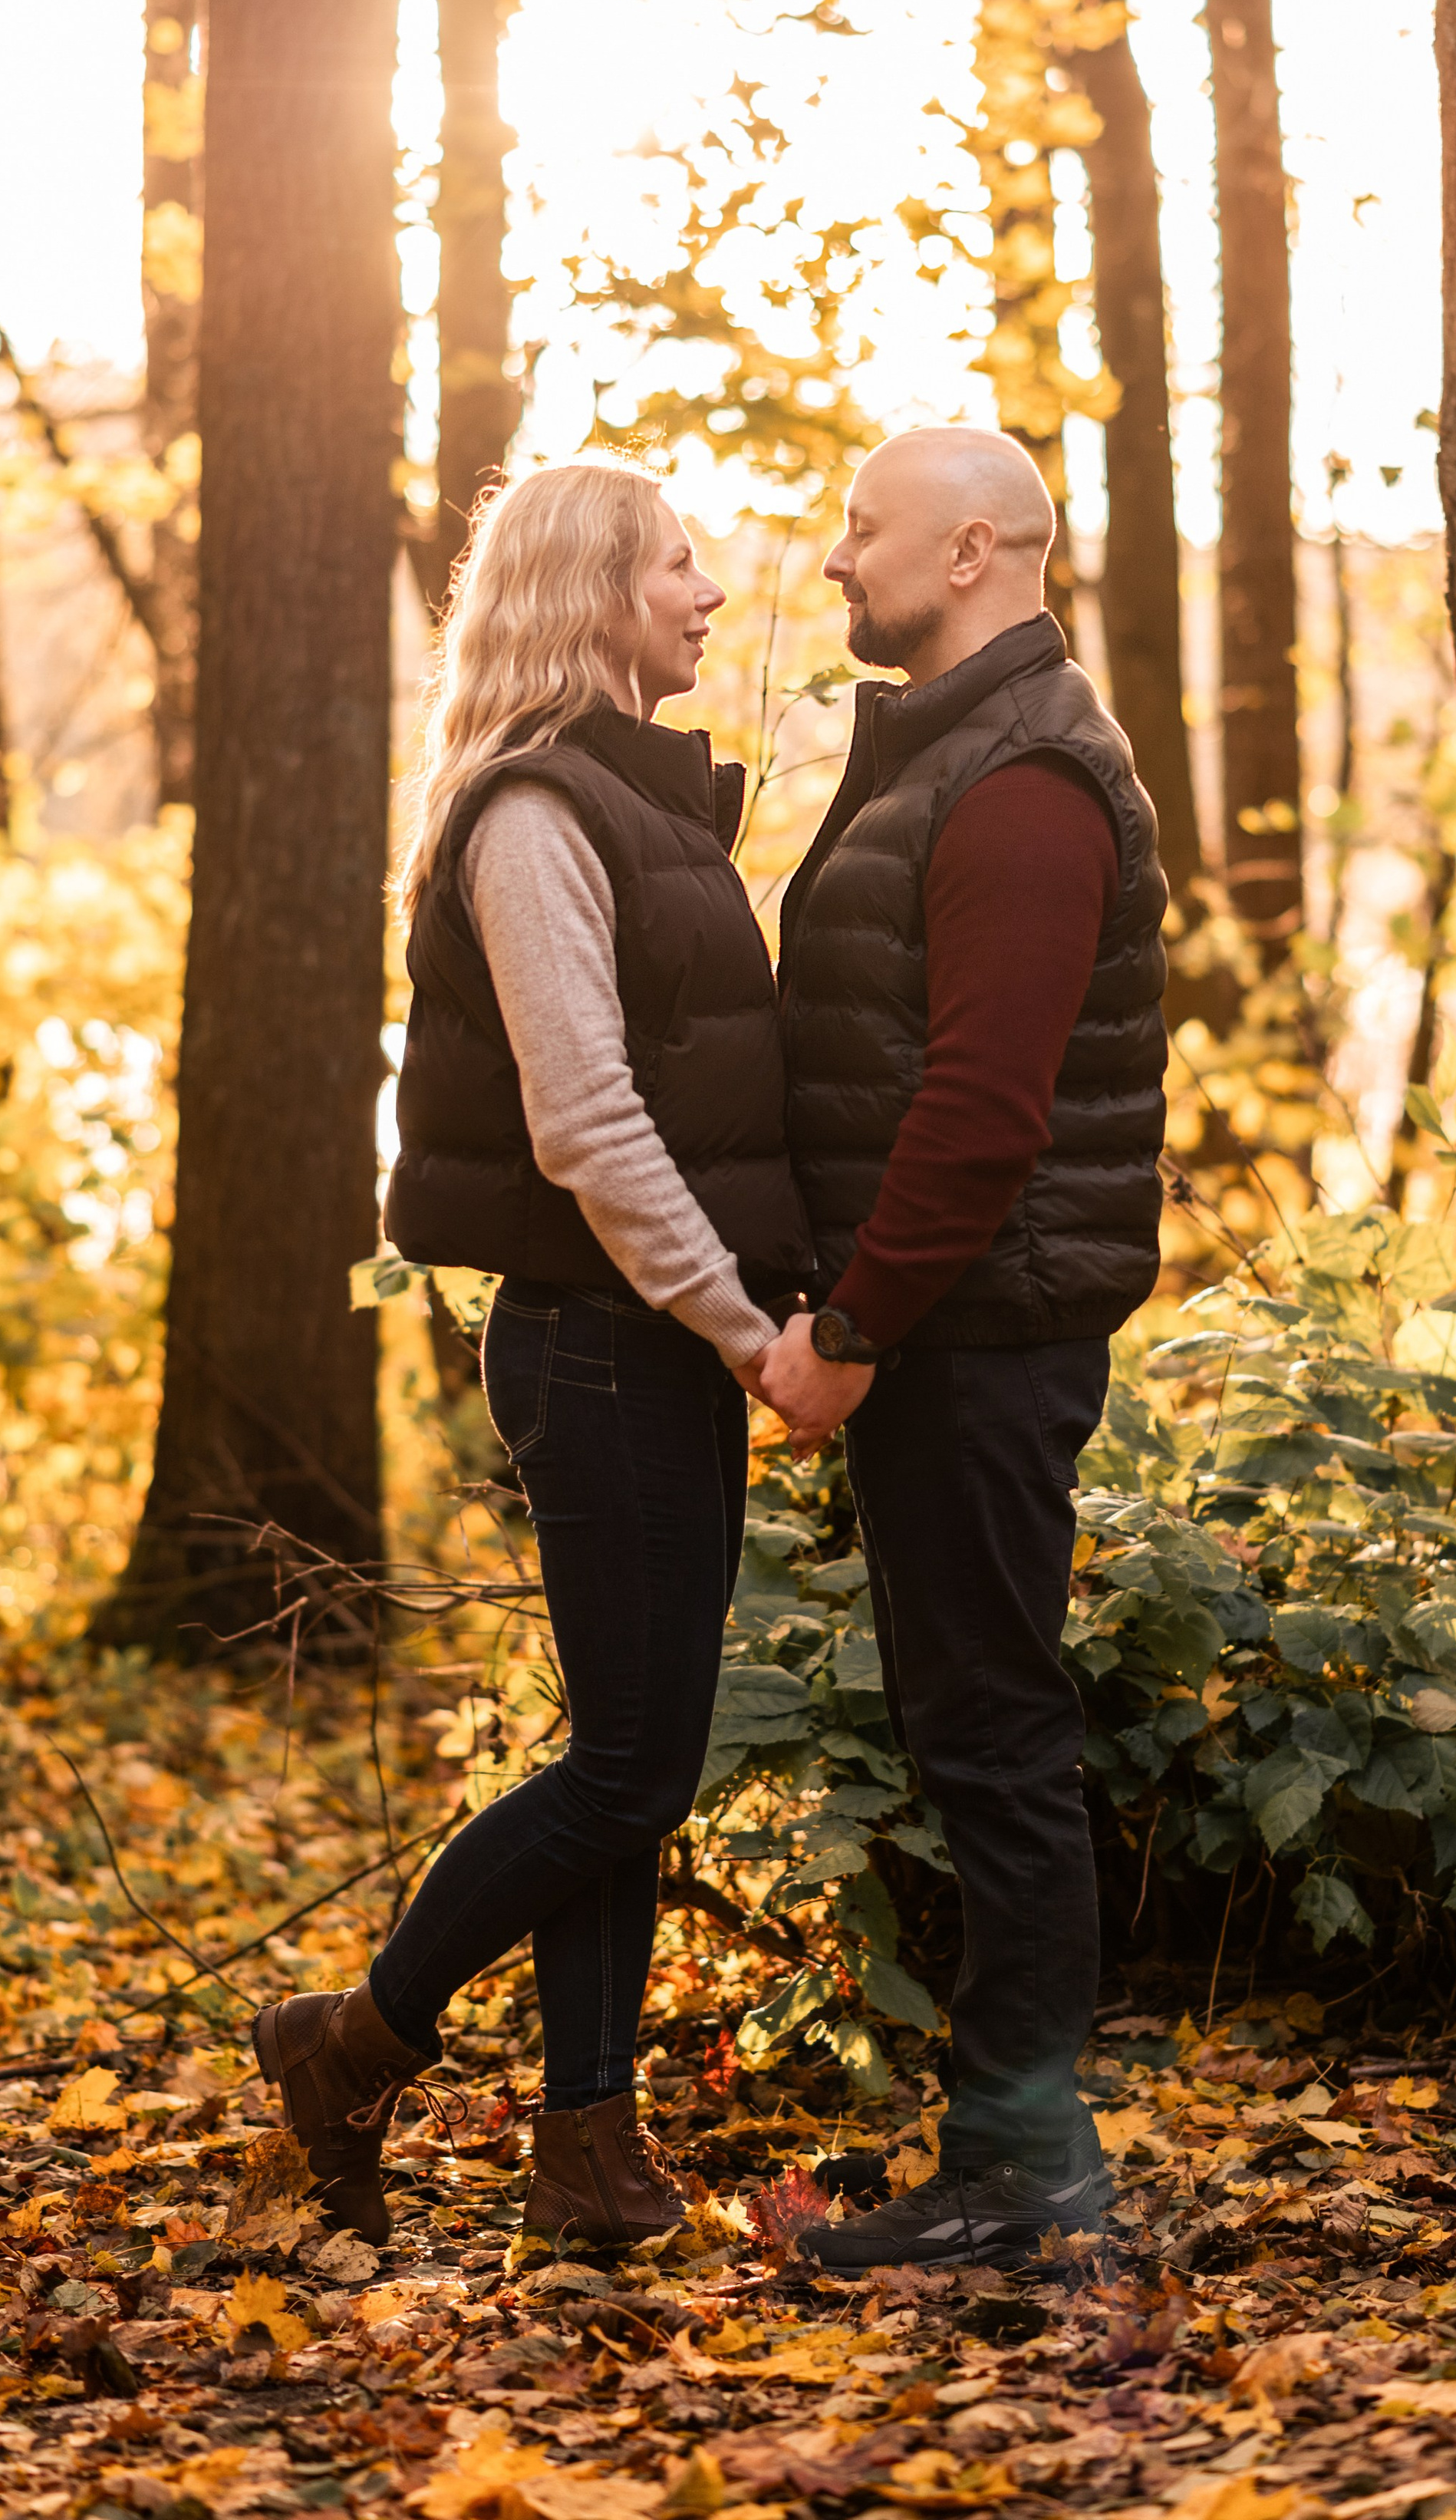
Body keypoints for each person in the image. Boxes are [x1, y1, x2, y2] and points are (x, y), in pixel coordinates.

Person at [252, 457, 814, 2251]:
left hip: (635, 1338)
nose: (710, 589)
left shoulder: (628, 802)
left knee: (625, 1755)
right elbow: (584, 1122)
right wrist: (741, 1328)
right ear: (587, 593)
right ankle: (351, 2043)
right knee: (631, 1769)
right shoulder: (533, 820)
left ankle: (583, 2149)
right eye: (676, 564)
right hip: (605, 1341)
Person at [757, 424, 1168, 2268]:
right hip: (943, 1324)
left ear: (975, 550)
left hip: (974, 1335)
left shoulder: (1019, 782)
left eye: (866, 532)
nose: (837, 560)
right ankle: (1006, 2152)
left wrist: (851, 1325)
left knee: (992, 1734)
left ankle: (1025, 2175)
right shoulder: (944, 751)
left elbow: (985, 1109)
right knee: (966, 1720)